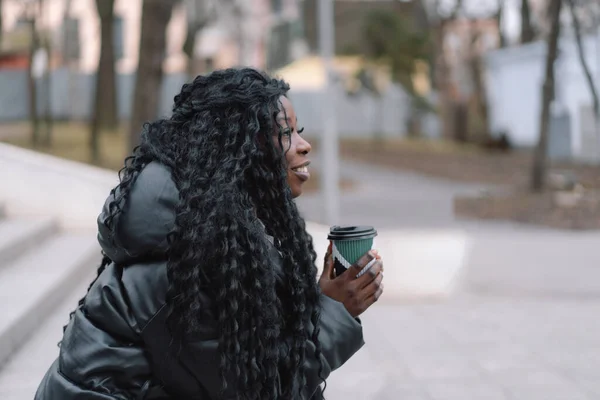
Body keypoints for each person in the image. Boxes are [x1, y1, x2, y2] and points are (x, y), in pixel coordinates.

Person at [35, 68, 384, 400]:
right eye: (284, 133)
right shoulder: (183, 263)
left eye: (298, 130)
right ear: (235, 149)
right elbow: (253, 390)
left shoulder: (217, 232)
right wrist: (336, 311)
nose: (304, 145)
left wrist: (320, 300)